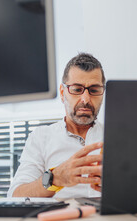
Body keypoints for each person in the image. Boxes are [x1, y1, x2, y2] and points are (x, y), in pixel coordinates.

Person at [7, 53, 105, 198]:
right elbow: (15, 196)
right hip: (59, 219)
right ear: (62, 92)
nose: (85, 99)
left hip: (108, 220)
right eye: (77, 89)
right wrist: (56, 178)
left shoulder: (119, 137)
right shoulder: (41, 137)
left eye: (94, 90)